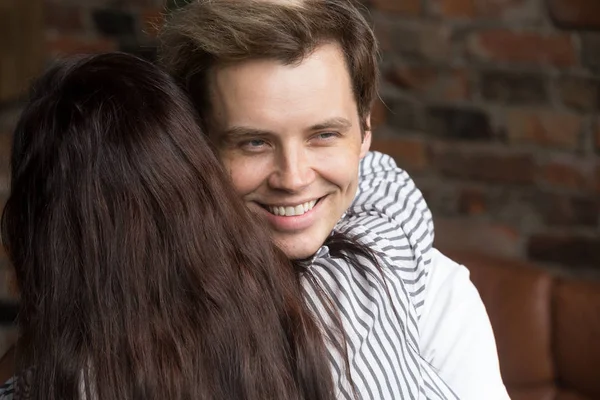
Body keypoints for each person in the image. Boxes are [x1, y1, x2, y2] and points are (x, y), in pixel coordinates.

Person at [157, 0, 510, 399]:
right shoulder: (138, 310)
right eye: (254, 142)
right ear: (199, 146)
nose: (293, 178)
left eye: (323, 135)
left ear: (364, 131)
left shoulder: (434, 293)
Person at [0, 53, 336, 400]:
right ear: (201, 172)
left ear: (41, 232)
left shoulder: (48, 386)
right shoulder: (317, 302)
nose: (294, 178)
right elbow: (374, 171)